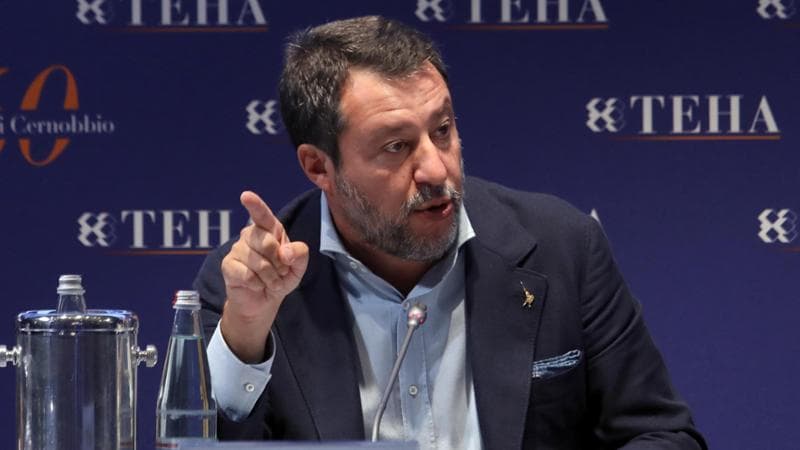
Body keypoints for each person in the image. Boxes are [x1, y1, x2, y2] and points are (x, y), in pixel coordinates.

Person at [194, 15, 706, 450]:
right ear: (319, 167)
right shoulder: (251, 287)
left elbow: (663, 436)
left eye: (442, 130)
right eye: (395, 147)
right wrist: (246, 334)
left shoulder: (562, 249)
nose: (437, 170)